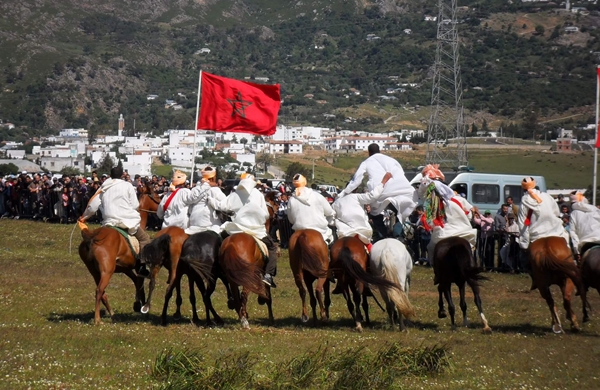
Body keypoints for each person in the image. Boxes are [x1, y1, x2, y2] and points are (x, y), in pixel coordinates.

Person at [208, 173, 279, 287]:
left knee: (220, 243)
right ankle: (268, 275)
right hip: (256, 230)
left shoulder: (235, 194)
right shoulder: (258, 194)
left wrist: (210, 200)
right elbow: (265, 214)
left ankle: (218, 268)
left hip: (237, 228)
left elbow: (222, 206)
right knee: (271, 248)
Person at [80, 166, 151, 277]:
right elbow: (135, 205)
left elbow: (93, 206)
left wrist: (84, 217)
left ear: (110, 175)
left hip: (109, 222)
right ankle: (141, 266)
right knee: (145, 239)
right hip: (127, 221)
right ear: (122, 175)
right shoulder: (127, 185)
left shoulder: (104, 187)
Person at [338, 143, 417, 240]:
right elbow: (401, 172)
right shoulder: (392, 160)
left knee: (375, 215)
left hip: (380, 191)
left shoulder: (366, 162)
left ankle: (383, 235)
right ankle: (398, 235)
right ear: (380, 150)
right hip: (399, 189)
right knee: (400, 212)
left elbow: (356, 180)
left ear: (369, 152)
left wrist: (344, 193)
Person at [418, 164, 477, 265]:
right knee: (470, 249)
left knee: (431, 248)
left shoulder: (431, 204)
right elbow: (469, 216)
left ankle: (436, 272)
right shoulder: (459, 199)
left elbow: (429, 222)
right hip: (463, 232)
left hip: (442, 235)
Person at [333, 172, 392, 253]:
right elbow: (373, 196)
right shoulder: (356, 197)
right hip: (361, 233)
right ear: (355, 189)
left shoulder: (336, 203)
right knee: (372, 254)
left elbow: (332, 219)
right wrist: (383, 182)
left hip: (343, 234)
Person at [517, 177, 569, 250]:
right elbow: (556, 212)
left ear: (523, 188)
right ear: (534, 185)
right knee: (566, 244)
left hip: (536, 236)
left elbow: (522, 223)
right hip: (555, 231)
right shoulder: (547, 196)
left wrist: (524, 244)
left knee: (522, 257)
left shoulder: (523, 201)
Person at [287, 173, 336, 245]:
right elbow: (329, 212)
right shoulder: (317, 196)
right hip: (320, 231)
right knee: (332, 240)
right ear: (305, 182)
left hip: (299, 232)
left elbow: (291, 220)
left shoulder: (291, 200)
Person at [186, 166, 226, 235]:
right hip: (209, 224)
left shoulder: (195, 189)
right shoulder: (214, 190)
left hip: (193, 222)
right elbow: (225, 204)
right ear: (213, 177)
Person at [568, 191, 600, 261]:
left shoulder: (574, 213)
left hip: (585, 243)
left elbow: (573, 233)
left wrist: (577, 251)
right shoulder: (596, 210)